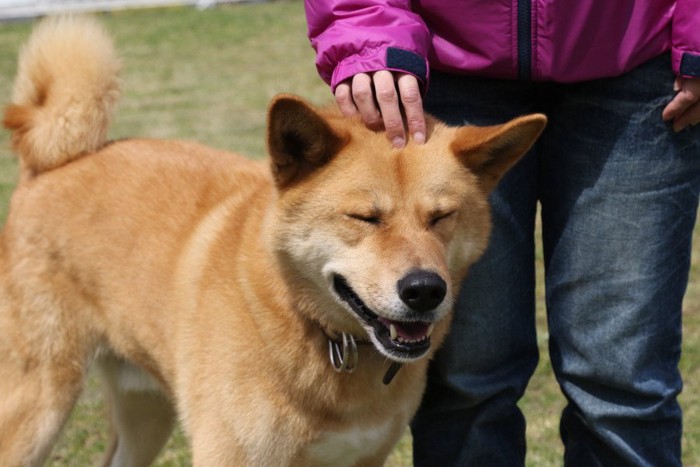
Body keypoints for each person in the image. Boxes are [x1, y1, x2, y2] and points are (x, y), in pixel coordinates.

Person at [304, 1, 700, 466]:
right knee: (468, 381)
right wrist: (364, 25)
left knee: (624, 381)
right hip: (443, 57)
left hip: (641, 56)